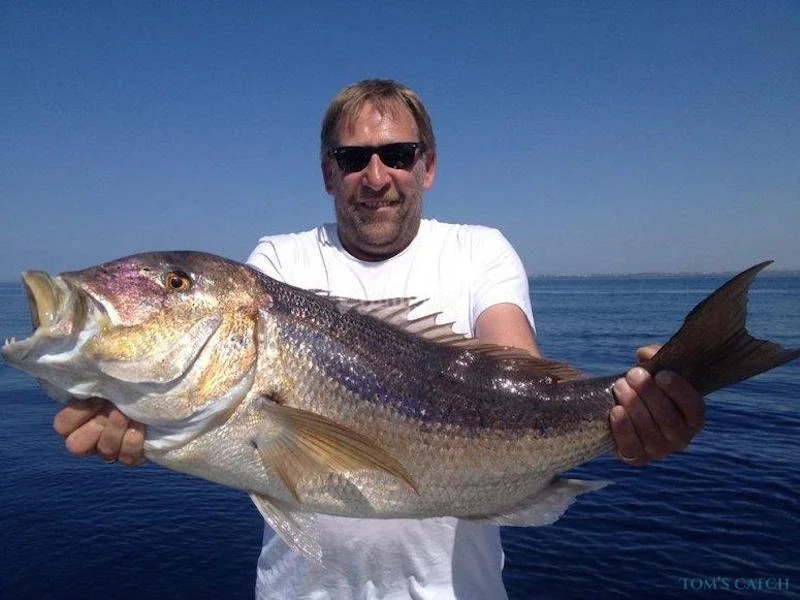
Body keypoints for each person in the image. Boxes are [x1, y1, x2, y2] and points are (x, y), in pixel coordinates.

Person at [53, 79, 706, 599]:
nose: (375, 175)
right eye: (352, 158)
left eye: (397, 155)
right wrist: (134, 410)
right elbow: (219, 406)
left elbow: (522, 370)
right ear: (327, 173)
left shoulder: (479, 251)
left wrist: (628, 418)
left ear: (427, 167)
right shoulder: (276, 264)